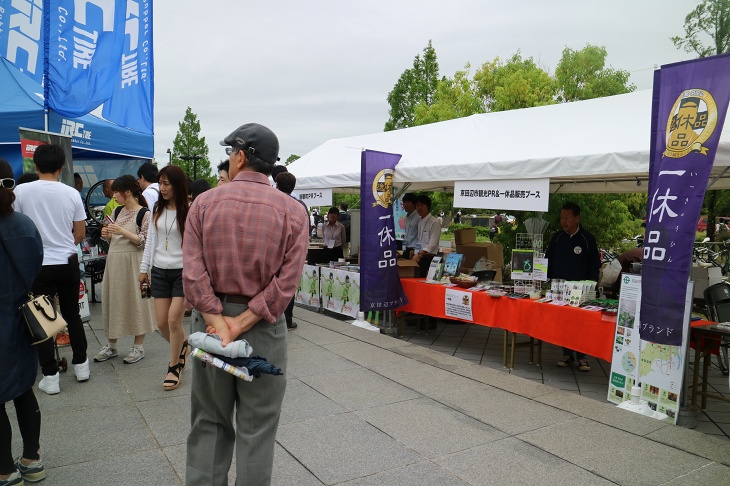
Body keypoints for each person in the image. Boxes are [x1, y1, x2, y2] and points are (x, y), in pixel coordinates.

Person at [183, 123, 308, 485]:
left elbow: (192, 272)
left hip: (210, 327)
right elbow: (287, 283)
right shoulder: (294, 212)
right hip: (264, 329)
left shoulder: (203, 203)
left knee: (209, 421)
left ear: (240, 156)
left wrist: (219, 320)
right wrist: (241, 323)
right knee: (258, 429)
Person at [13, 144, 89, 395]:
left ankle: (50, 375)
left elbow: (16, 228)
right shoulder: (71, 193)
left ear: (34, 165)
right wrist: (64, 242)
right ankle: (82, 366)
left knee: (42, 319)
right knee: (72, 315)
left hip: (36, 264)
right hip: (67, 261)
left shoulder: (21, 191)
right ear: (61, 167)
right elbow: (79, 233)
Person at [0, 159, 46, 485]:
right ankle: (32, 459)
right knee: (24, 390)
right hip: (22, 323)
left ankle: (5, 470)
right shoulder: (26, 225)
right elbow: (35, 267)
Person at [94, 175, 156, 365]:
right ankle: (111, 345)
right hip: (115, 262)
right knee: (114, 301)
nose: (114, 196)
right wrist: (107, 234)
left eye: (116, 192)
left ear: (127, 192)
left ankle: (138, 346)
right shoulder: (117, 211)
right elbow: (112, 238)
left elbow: (145, 241)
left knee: (138, 302)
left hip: (136, 264)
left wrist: (122, 232)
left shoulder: (144, 213)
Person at [139, 166, 190, 390]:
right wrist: (144, 269)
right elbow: (152, 241)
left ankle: (173, 366)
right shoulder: (157, 208)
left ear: (178, 185)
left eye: (167, 183)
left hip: (181, 271)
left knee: (173, 320)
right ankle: (183, 346)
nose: (162, 188)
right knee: (161, 323)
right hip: (159, 270)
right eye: (160, 183)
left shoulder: (188, 210)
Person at [545, 202, 600, 372]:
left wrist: (592, 286)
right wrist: (545, 279)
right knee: (564, 322)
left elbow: (594, 265)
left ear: (577, 218)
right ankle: (567, 354)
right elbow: (548, 260)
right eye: (561, 218)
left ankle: (583, 357)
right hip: (560, 288)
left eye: (567, 218)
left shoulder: (587, 239)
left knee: (581, 323)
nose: (563, 221)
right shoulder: (557, 237)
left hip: (581, 290)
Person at [275, 172, 309, 330]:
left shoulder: (272, 202)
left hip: (274, 251)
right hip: (292, 251)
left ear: (277, 185)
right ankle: (287, 320)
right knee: (289, 285)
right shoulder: (300, 205)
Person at [411, 194, 441, 278]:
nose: (419, 208)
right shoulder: (420, 221)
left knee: (425, 280)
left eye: (422, 205)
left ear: (427, 206)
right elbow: (419, 241)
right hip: (419, 257)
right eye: (417, 205)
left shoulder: (434, 222)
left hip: (429, 258)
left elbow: (432, 244)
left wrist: (419, 254)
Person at [402, 193, 419, 260]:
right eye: (404, 202)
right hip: (406, 249)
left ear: (414, 204)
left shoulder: (419, 217)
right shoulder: (406, 218)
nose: (405, 204)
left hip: (414, 251)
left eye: (408, 202)